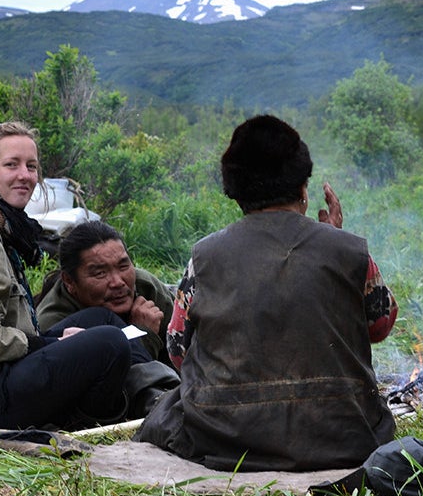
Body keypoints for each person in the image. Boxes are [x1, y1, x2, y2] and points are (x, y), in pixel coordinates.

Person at [135, 114, 398, 472]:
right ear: (303, 188)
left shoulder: (205, 255)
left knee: (167, 409)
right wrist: (333, 238)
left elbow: (178, 351)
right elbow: (380, 325)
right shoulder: (348, 250)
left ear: (237, 195)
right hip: (340, 435)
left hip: (226, 438)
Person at [0, 121, 132, 430]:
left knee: (99, 319)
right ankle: (82, 422)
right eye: (11, 165)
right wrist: (46, 345)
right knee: (110, 344)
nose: (25, 176)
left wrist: (51, 341)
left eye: (31, 166)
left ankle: (138, 390)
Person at [36, 220, 173, 366]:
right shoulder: (54, 324)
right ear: (69, 281)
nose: (118, 282)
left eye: (123, 266)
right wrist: (143, 335)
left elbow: (188, 350)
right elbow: (114, 383)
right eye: (100, 273)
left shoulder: (147, 288)